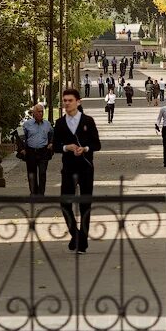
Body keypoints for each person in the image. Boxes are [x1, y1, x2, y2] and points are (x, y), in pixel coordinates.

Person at [54, 88, 101, 254]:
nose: (66, 103)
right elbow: (55, 146)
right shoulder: (60, 123)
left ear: (78, 102)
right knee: (65, 203)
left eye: (70, 100)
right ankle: (76, 234)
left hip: (86, 167)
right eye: (65, 100)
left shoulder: (88, 121)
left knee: (85, 204)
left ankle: (83, 242)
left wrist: (85, 148)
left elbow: (97, 144)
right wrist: (67, 147)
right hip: (68, 168)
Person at [20, 103, 53, 195]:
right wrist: (22, 149)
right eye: (38, 112)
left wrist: (51, 143)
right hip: (31, 152)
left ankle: (41, 193)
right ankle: (33, 193)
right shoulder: (27, 124)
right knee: (32, 173)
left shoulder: (47, 124)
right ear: (34, 113)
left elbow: (52, 134)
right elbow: (21, 137)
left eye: (42, 111)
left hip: (43, 151)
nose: (41, 113)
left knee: (42, 172)